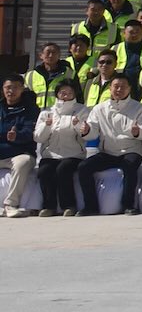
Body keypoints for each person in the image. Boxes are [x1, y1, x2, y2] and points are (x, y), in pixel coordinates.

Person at [79, 73, 142, 216]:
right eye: (116, 86)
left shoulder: (139, 108)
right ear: (110, 88)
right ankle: (90, 206)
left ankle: (128, 205)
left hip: (130, 150)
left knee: (130, 166)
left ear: (129, 89)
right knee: (84, 167)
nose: (119, 89)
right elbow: (93, 132)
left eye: (123, 87)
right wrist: (86, 130)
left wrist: (137, 132)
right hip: (108, 152)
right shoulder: (99, 109)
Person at [33, 80, 88, 217]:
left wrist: (77, 125)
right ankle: (49, 206)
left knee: (63, 169)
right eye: (63, 93)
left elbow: (86, 135)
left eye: (70, 93)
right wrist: (46, 126)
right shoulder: (47, 113)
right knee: (44, 171)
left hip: (74, 154)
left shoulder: (81, 110)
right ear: (57, 94)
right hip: (50, 154)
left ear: (75, 94)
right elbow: (38, 137)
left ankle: (68, 206)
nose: (66, 96)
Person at [2, 74, 40, 218]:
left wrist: (16, 136)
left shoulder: (31, 109)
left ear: (22, 89)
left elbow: (30, 133)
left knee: (23, 162)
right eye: (7, 87)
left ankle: (11, 204)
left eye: (15, 87)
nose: (10, 91)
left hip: (21, 152)